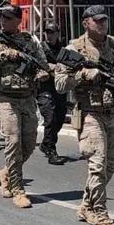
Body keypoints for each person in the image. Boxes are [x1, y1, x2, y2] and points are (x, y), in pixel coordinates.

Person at [55, 5, 114, 225]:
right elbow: (60, 84)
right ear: (86, 23)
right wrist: (83, 75)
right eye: (97, 21)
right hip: (90, 114)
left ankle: (86, 204)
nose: (102, 24)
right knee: (98, 163)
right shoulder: (74, 49)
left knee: (111, 164)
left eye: (105, 20)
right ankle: (103, 218)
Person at [0, 4, 48, 209]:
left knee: (28, 143)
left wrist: (41, 73)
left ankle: (6, 172)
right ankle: (17, 189)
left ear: (19, 20)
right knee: (13, 140)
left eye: (9, 18)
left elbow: (41, 63)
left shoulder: (29, 41)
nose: (4, 21)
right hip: (3, 98)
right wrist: (2, 56)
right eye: (3, 17)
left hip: (27, 97)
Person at [37, 22, 67, 165]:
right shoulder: (41, 48)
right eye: (47, 32)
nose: (49, 35)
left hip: (60, 89)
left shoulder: (63, 49)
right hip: (44, 88)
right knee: (50, 116)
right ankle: (51, 150)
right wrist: (54, 67)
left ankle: (46, 143)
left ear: (57, 33)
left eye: (52, 32)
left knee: (60, 118)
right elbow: (39, 62)